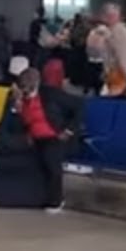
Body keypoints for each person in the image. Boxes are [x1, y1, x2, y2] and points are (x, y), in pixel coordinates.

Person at [12, 67, 82, 212]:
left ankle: (55, 200)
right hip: (34, 137)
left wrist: (69, 130)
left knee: (51, 161)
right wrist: (17, 108)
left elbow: (79, 106)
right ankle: (31, 195)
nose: (26, 93)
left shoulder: (51, 94)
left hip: (54, 136)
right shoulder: (19, 99)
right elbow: (19, 122)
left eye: (28, 89)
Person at [99, 4, 126, 96]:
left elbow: (119, 52)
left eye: (105, 15)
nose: (103, 18)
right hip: (115, 71)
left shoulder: (118, 30)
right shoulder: (114, 29)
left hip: (118, 72)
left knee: (112, 99)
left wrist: (124, 73)